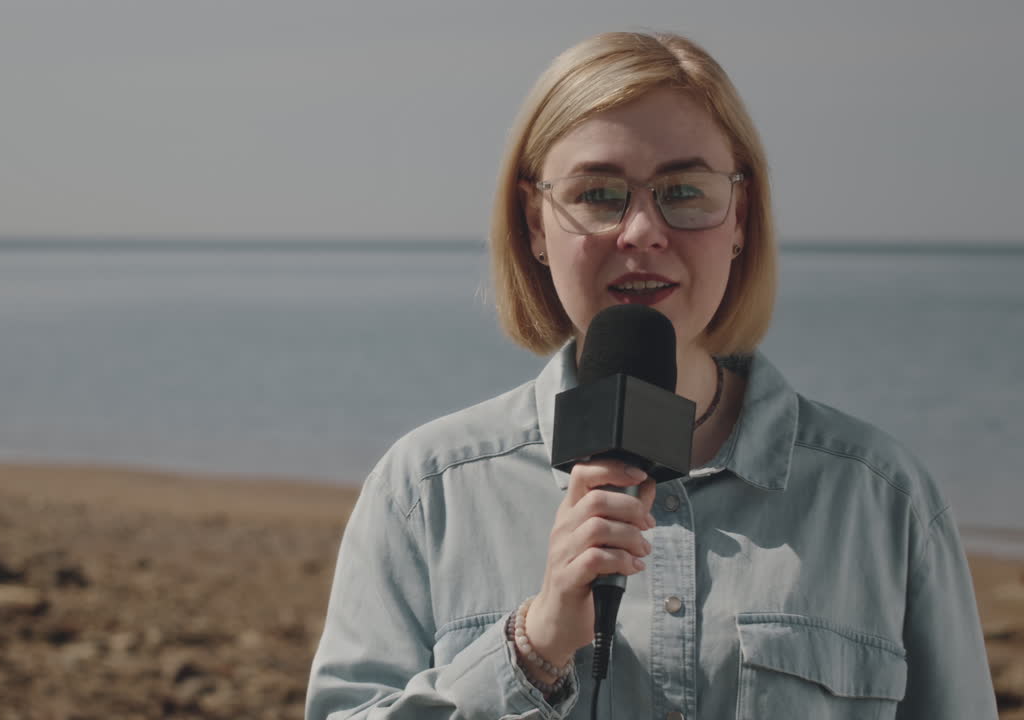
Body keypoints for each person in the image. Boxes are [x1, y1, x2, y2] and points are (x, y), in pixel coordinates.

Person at [305, 31, 996, 719]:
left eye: (684, 191)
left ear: (740, 219)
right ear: (536, 222)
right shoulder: (428, 491)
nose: (641, 231)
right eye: (599, 194)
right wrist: (533, 648)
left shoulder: (879, 497)